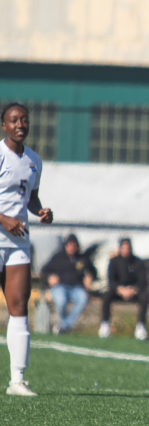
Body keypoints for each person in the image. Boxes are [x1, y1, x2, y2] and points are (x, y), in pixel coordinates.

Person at [0, 103, 54, 396]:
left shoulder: (34, 160)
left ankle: (17, 380)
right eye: (14, 120)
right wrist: (4, 219)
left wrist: (40, 211)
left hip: (19, 241)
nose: (20, 124)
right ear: (4, 125)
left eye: (24, 120)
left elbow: (31, 197)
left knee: (19, 306)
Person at [41, 233, 94, 334]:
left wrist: (89, 277)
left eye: (74, 245)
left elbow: (93, 271)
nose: (71, 247)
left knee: (83, 299)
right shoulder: (58, 257)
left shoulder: (82, 258)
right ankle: (64, 326)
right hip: (60, 286)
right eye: (69, 245)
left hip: (76, 287)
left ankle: (63, 325)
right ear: (65, 245)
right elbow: (44, 270)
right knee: (61, 301)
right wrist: (49, 277)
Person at [98, 237, 149, 340]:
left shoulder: (138, 262)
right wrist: (120, 289)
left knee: (145, 297)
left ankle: (140, 326)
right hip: (118, 291)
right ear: (120, 249)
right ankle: (105, 324)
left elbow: (142, 281)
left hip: (133, 291)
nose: (126, 250)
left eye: (128, 248)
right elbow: (111, 280)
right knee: (106, 295)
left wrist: (133, 289)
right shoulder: (114, 261)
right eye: (123, 248)